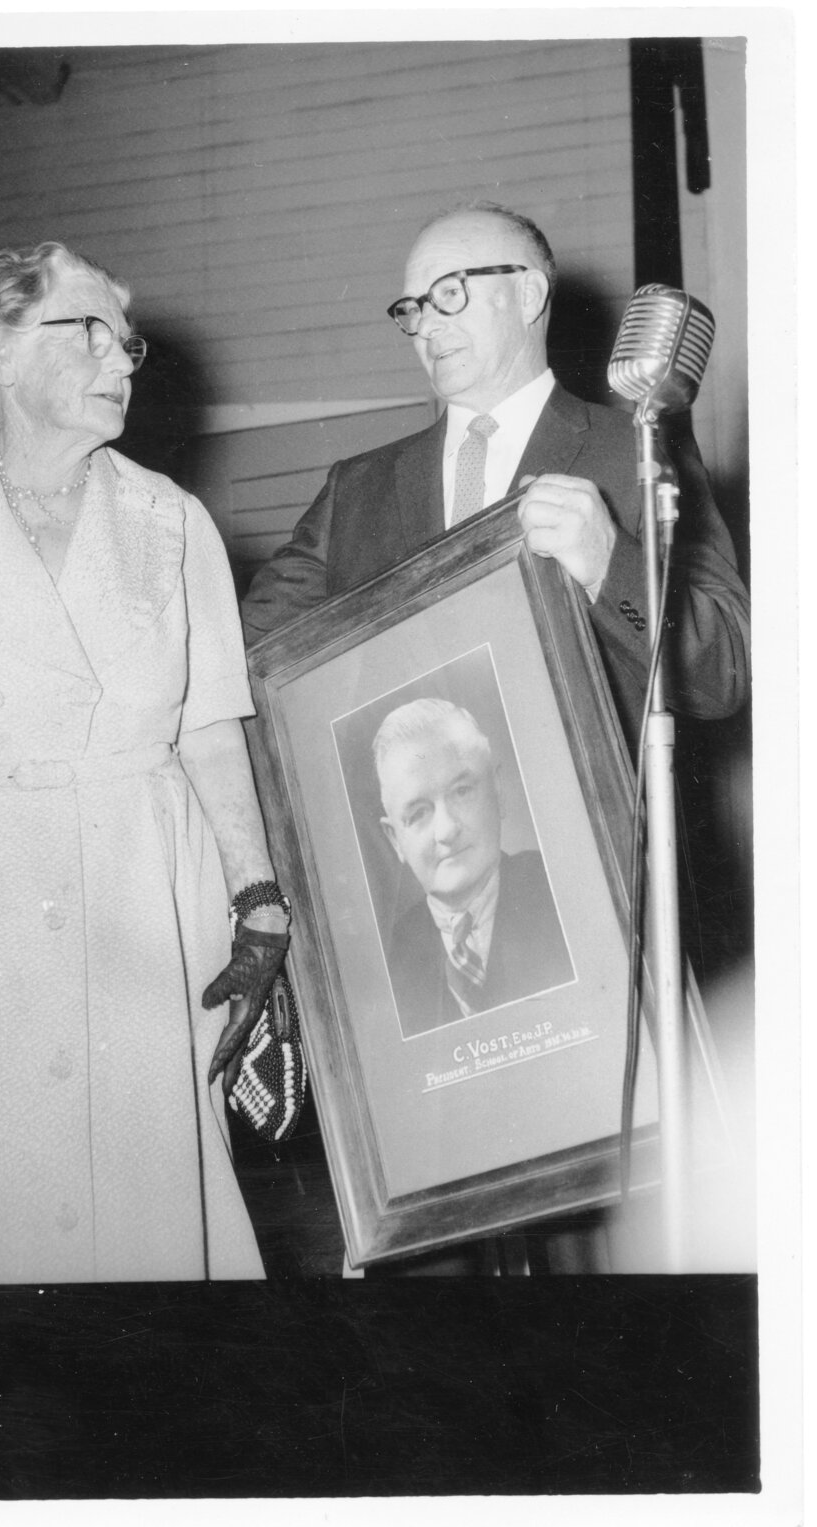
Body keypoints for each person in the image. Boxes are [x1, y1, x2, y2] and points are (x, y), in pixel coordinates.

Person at [0, 242, 290, 1286]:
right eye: (85, 330)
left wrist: (260, 901)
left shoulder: (173, 523)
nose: (122, 358)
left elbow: (208, 729)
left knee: (141, 1202)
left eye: (125, 338)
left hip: (141, 901)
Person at [241, 200, 750, 751]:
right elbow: (243, 662)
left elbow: (723, 674)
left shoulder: (640, 450)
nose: (426, 325)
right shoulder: (356, 487)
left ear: (528, 295)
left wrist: (611, 565)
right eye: (412, 308)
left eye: (449, 294)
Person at [373, 699, 573, 1038]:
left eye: (462, 791)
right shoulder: (394, 961)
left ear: (497, 791)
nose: (447, 830)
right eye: (419, 813)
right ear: (395, 840)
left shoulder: (562, 891)